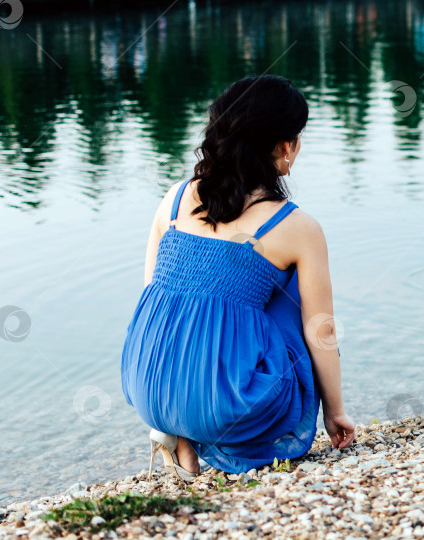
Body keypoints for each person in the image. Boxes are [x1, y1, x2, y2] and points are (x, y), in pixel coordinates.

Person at [120, 75, 355, 481]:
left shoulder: (174, 199)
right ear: (286, 146)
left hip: (147, 385)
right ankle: (211, 426)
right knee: (287, 297)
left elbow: (153, 301)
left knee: (190, 293)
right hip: (224, 407)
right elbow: (321, 330)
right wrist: (334, 413)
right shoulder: (297, 226)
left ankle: (178, 433)